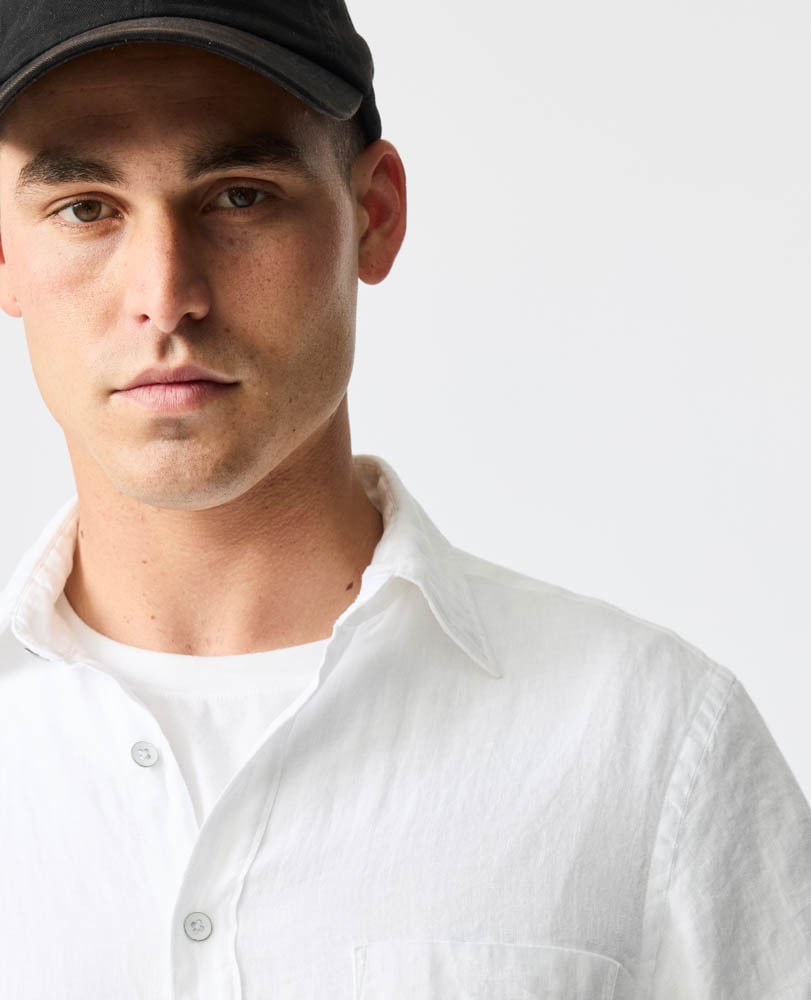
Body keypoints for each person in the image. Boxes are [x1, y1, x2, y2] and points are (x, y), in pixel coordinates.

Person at [0, 0, 807, 997]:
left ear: (373, 217)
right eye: (86, 208)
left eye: (240, 196)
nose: (165, 296)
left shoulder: (645, 741)